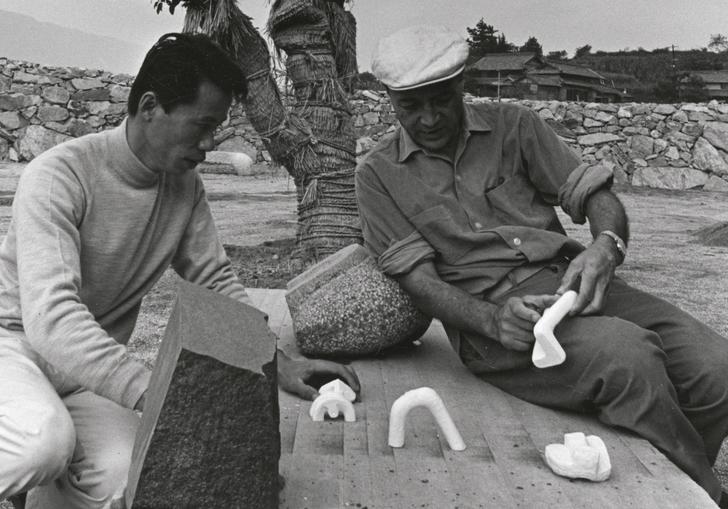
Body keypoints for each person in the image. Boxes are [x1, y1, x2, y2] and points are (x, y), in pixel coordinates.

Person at [355, 24, 728, 505]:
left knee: (716, 367)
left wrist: (606, 246)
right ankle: (705, 494)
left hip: (572, 285)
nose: (428, 118)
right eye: (410, 106)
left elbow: (594, 194)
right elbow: (418, 282)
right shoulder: (377, 176)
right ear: (390, 101)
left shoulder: (514, 125)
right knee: (629, 359)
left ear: (461, 85)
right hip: (496, 322)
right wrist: (491, 320)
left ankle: (668, 483)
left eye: (441, 99)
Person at [0, 32, 359, 509]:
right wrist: (154, 393)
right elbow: (52, 320)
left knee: (129, 481)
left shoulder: (183, 187)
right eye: (203, 126)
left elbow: (214, 281)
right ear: (150, 106)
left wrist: (276, 363)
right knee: (40, 446)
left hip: (84, 372)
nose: (211, 144)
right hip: (15, 349)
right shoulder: (58, 176)